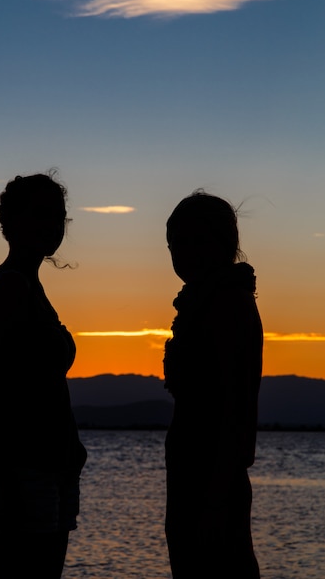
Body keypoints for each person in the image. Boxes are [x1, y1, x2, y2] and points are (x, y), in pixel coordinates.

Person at [0, 170, 87, 578]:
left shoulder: (28, 285)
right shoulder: (10, 287)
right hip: (22, 466)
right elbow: (12, 390)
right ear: (11, 221)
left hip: (44, 464)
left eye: (57, 217)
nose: (50, 226)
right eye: (39, 214)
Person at [163, 190, 263, 578]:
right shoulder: (201, 302)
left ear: (225, 244)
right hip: (192, 473)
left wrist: (216, 501)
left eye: (198, 241)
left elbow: (235, 408)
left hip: (212, 481)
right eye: (177, 243)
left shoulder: (228, 304)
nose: (186, 252)